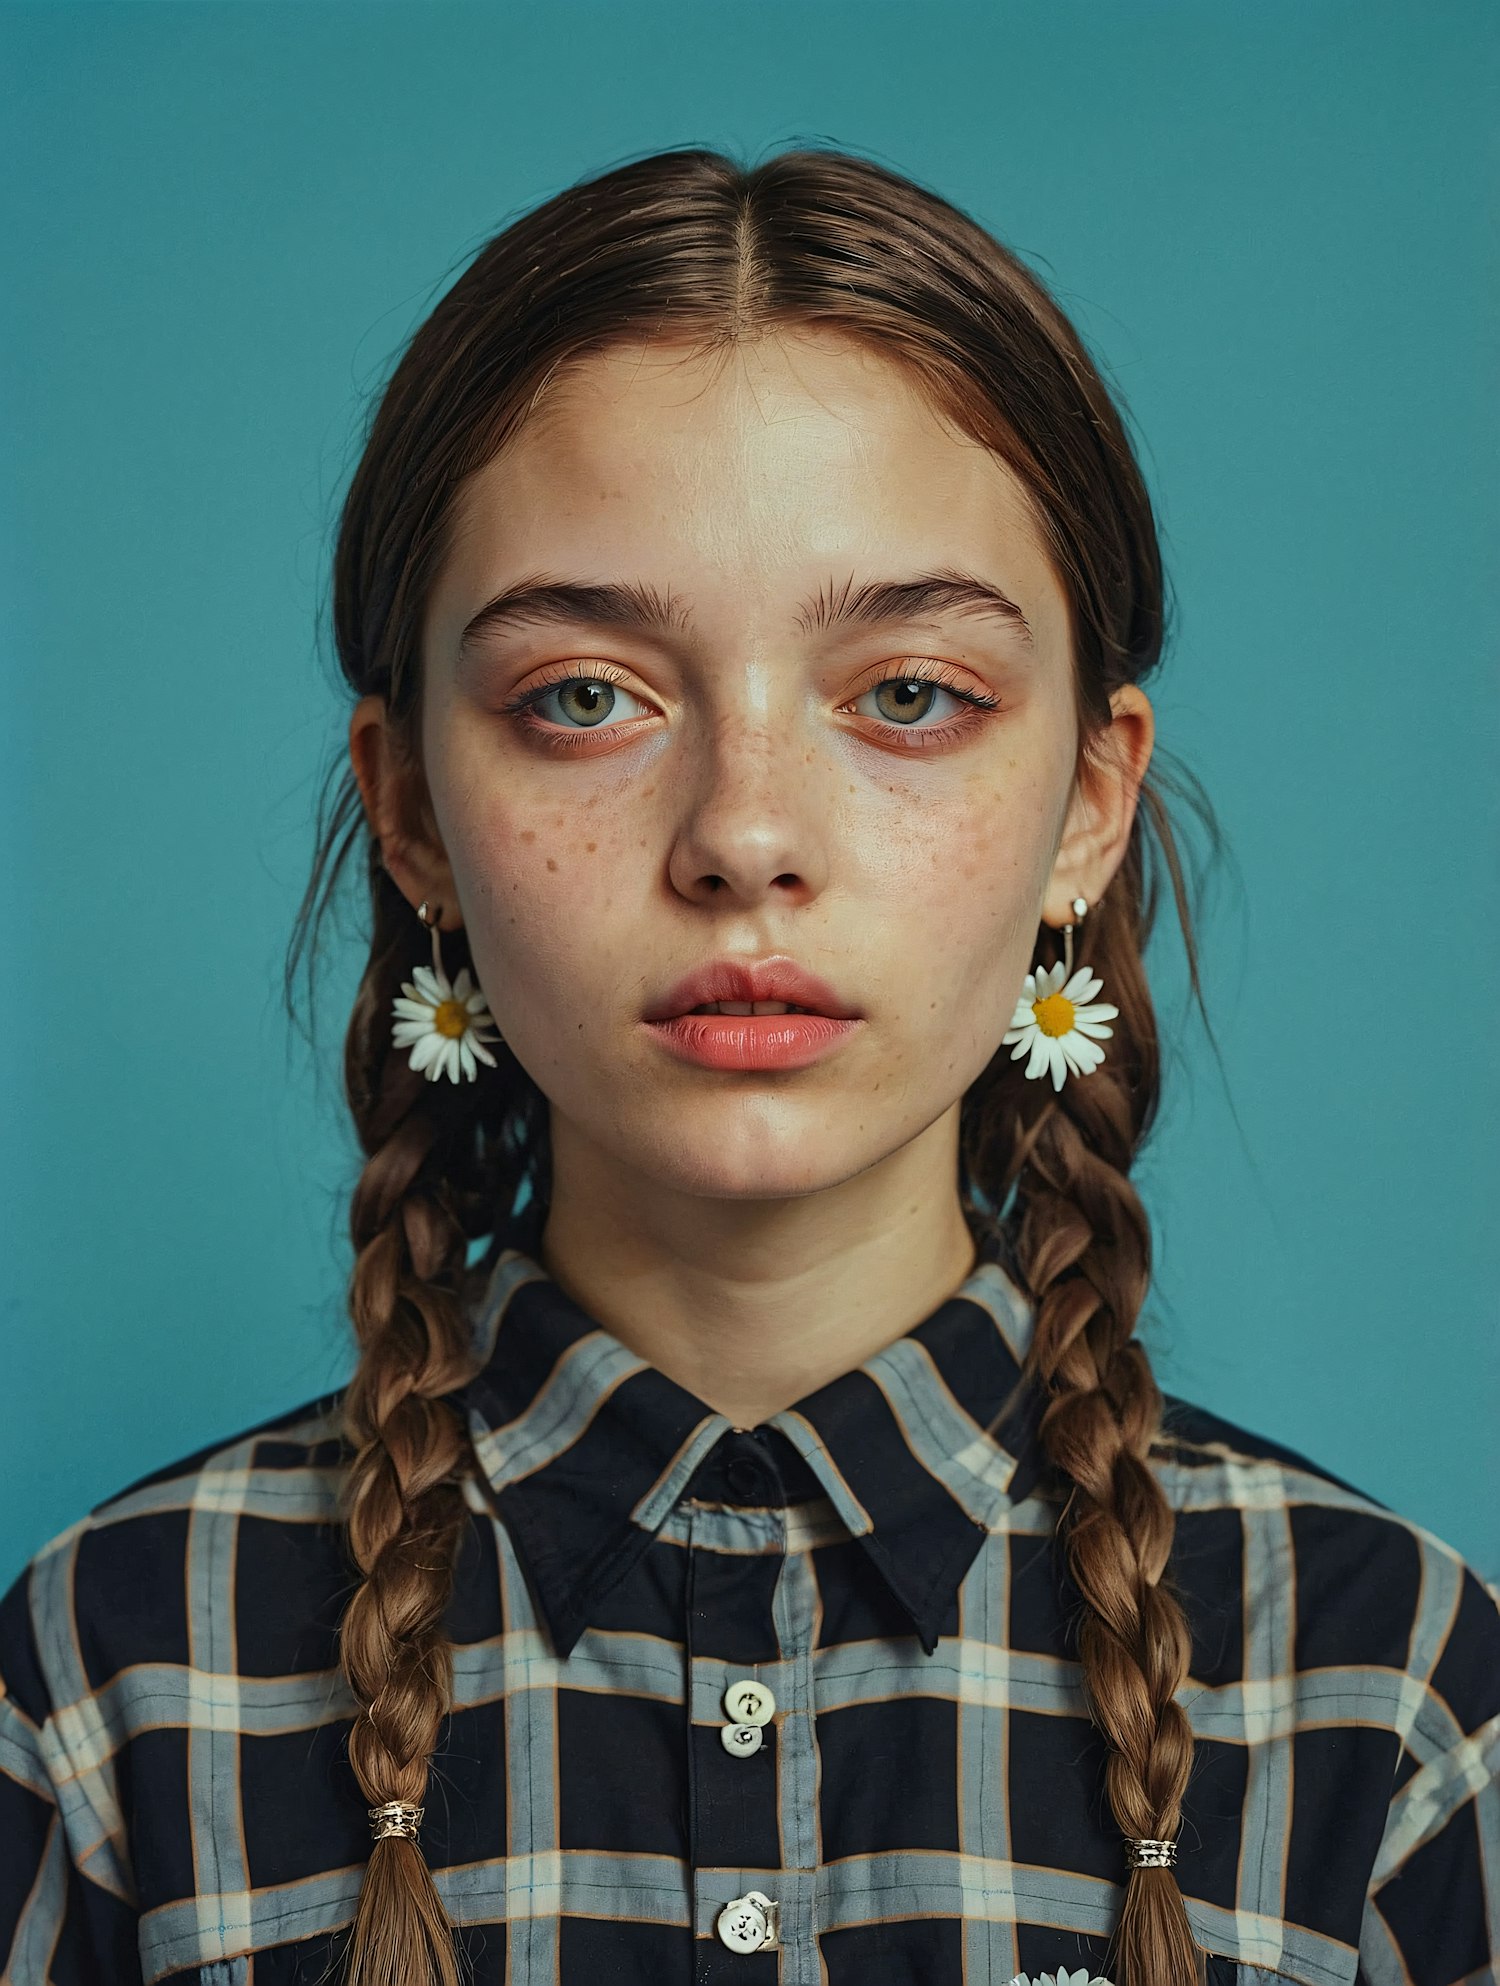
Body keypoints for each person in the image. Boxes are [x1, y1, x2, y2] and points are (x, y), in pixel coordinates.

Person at [1, 144, 1495, 1986]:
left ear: (1088, 806)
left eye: (910, 694)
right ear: (409, 812)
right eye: (585, 696)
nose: (746, 834)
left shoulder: (1389, 1687)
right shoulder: (111, 1683)